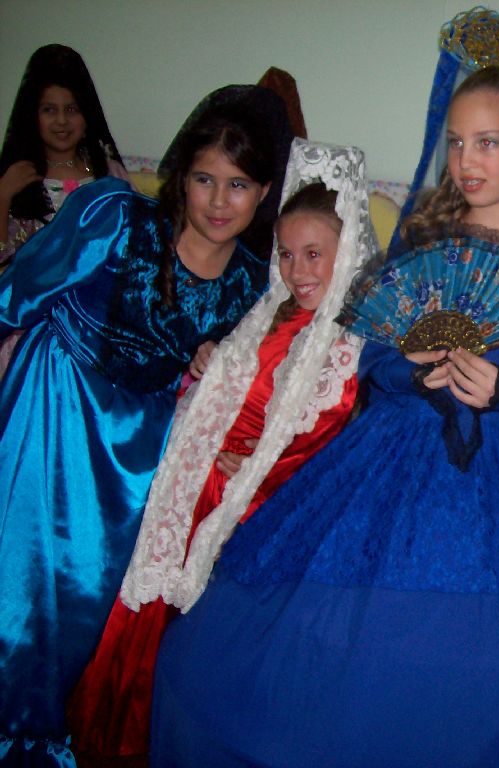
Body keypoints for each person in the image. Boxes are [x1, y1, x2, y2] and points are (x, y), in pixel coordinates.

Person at [150, 9, 499, 766]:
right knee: (274, 650)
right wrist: (414, 368)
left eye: (489, 141)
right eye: (457, 142)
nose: (466, 161)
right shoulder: (424, 233)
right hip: (394, 452)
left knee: (478, 672)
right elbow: (370, 360)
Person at [0, 87, 286, 766]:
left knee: (85, 599)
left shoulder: (254, 285)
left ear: (263, 192)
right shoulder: (116, 216)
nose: (219, 201)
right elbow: (18, 291)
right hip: (54, 407)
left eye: (239, 185)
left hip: (137, 454)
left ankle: (42, 735)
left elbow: (242, 390)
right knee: (19, 580)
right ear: (180, 176)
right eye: (205, 179)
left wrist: (221, 398)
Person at [65, 142, 370, 764]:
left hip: (255, 513)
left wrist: (262, 468)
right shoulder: (270, 314)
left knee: (200, 663)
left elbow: (330, 441)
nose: (297, 269)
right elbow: (226, 392)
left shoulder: (348, 342)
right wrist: (210, 361)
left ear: (347, 253)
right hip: (199, 492)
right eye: (286, 253)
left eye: (314, 254)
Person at [0, 44, 131, 266]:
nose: (61, 121)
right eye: (49, 110)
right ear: (33, 117)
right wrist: (3, 196)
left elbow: (134, 240)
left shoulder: (108, 173)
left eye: (72, 109)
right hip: (34, 287)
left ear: (87, 116)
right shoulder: (20, 178)